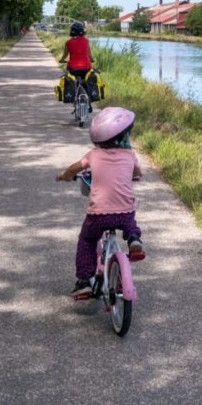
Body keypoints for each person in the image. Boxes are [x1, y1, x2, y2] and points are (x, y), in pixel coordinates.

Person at [56, 106, 145, 298]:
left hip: (99, 216)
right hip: (124, 212)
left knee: (87, 240)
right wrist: (131, 174)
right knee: (130, 223)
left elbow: (74, 168)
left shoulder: (93, 155)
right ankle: (133, 239)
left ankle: (83, 282)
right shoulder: (130, 155)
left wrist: (64, 176)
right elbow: (137, 173)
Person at [58, 20, 95, 111]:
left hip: (73, 68)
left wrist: (62, 60)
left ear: (71, 31)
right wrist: (92, 60)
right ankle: (88, 102)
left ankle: (74, 98)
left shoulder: (68, 42)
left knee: (73, 81)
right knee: (85, 81)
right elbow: (89, 55)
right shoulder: (86, 41)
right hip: (86, 67)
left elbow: (65, 55)